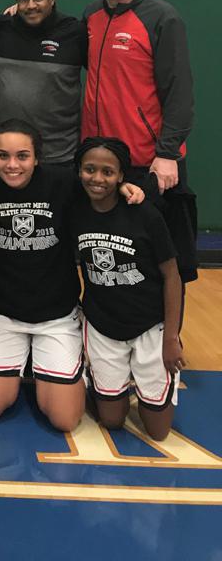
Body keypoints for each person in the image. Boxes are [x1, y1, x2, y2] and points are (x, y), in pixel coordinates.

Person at [81, 0, 197, 281]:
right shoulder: (91, 16)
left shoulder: (162, 18)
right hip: (102, 163)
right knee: (115, 262)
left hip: (151, 163)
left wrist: (168, 153)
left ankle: (168, 335)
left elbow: (180, 91)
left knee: (164, 263)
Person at [0, 121, 96, 431]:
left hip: (56, 315)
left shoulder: (62, 182)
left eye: (22, 156)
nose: (12, 165)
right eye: (3, 156)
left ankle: (58, 365)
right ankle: (26, 362)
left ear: (37, 158)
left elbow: (102, 182)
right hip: (4, 314)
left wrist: (125, 186)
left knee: (65, 420)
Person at [72, 137, 184, 442]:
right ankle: (107, 381)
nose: (97, 178)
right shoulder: (75, 210)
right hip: (103, 325)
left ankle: (146, 381)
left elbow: (172, 276)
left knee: (158, 432)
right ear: (79, 171)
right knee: (111, 421)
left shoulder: (145, 214)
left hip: (150, 326)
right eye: (89, 170)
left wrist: (172, 337)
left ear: (122, 175)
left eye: (108, 172)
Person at [0, 0, 86, 165]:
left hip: (60, 154)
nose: (31, 5)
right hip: (8, 155)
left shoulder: (75, 32)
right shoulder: (0, 28)